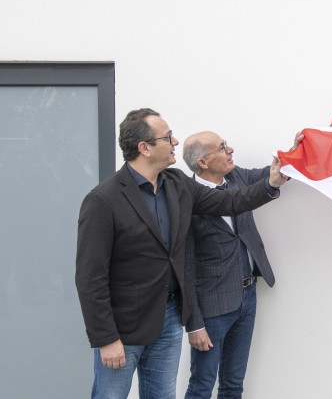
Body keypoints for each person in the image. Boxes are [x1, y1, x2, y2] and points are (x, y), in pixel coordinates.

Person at [75, 108, 290, 399]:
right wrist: (106, 338)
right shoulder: (103, 199)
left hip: (168, 321)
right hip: (123, 330)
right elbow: (90, 277)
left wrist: (271, 184)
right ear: (144, 148)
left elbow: (228, 201)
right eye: (167, 137)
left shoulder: (176, 183)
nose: (175, 141)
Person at [181, 130, 301, 398]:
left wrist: (296, 153)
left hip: (247, 297)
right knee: (202, 385)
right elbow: (185, 266)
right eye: (222, 147)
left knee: (234, 384)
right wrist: (194, 323)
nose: (231, 149)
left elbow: (269, 176)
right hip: (212, 307)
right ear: (203, 162)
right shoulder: (186, 198)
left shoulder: (235, 177)